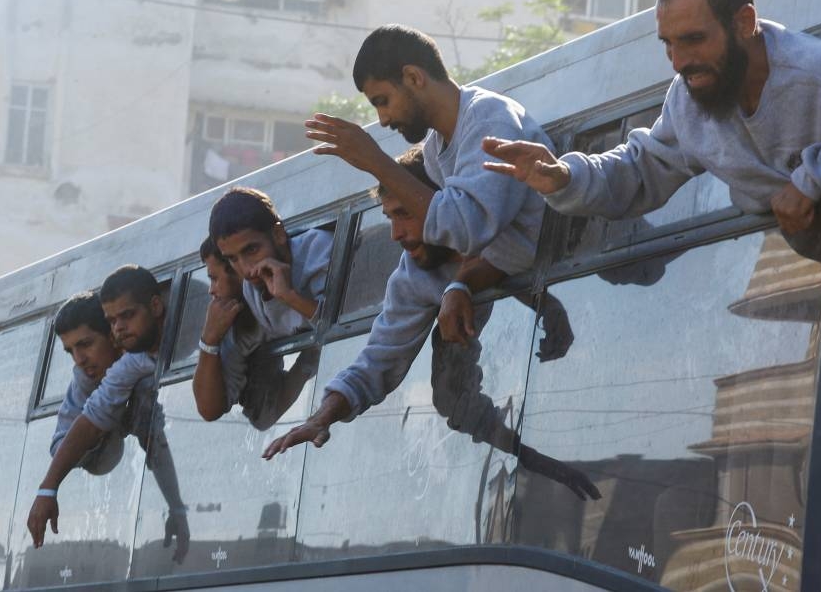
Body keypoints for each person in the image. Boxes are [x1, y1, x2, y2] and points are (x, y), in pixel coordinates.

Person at [482, 0, 821, 263]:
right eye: (668, 44)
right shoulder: (687, 101)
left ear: (744, 23)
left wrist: (815, 177)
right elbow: (639, 170)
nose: (678, 63)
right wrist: (564, 176)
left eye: (694, 39)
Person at [263, 147, 599, 501]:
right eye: (389, 217)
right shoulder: (414, 276)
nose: (395, 234)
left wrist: (544, 305)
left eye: (404, 214)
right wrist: (321, 417)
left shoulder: (513, 213)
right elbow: (376, 363)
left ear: (443, 205)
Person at [303, 23, 549, 339]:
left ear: (413, 77)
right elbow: (482, 248)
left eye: (383, 101)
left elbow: (466, 228)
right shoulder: (434, 151)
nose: (383, 119)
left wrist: (376, 162)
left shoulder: (489, 118)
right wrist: (459, 286)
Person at [28, 266, 188, 562]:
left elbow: (156, 443)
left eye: (85, 344)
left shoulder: (143, 357)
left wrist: (176, 507)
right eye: (70, 351)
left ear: (113, 336)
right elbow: (66, 439)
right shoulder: (85, 380)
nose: (79, 359)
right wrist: (48, 489)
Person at [191, 236, 317, 430]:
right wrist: (209, 339)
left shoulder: (299, 279)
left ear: (238, 271)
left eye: (214, 278)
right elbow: (210, 409)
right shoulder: (235, 324)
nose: (211, 290)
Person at [209, 186, 333, 340]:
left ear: (278, 234)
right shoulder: (251, 288)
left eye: (252, 250)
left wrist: (289, 296)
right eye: (233, 259)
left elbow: (341, 325)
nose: (247, 270)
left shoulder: (319, 249)